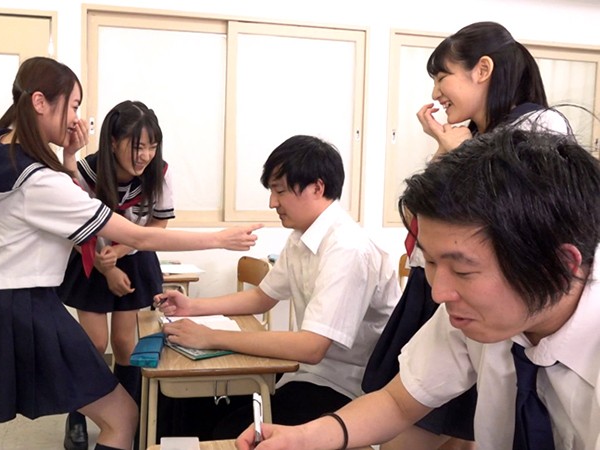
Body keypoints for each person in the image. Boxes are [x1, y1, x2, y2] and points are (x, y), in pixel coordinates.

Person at [0, 56, 260, 450]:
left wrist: (67, 157)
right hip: (26, 306)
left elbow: (93, 211)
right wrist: (219, 239)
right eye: (73, 106)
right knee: (123, 418)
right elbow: (136, 236)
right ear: (39, 102)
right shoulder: (40, 181)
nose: (77, 119)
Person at [235, 127, 600, 450]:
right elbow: (398, 402)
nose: (439, 293)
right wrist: (303, 438)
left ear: (558, 265)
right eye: (433, 264)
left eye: (463, 270)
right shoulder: (475, 315)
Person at [361, 21, 570, 450]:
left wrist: (454, 151)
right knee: (427, 418)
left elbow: (519, 216)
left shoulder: (540, 125)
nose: (436, 92)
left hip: (486, 292)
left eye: (442, 76)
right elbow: (420, 216)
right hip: (438, 286)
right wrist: (445, 148)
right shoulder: (472, 136)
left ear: (483, 70)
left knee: (440, 427)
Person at [155, 135, 400, 439]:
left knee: (230, 430)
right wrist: (193, 307)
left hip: (345, 389)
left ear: (317, 187)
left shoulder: (348, 248)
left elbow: (312, 347)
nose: (273, 202)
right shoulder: (301, 238)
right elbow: (262, 297)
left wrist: (211, 337)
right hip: (305, 373)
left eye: (280, 191)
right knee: (185, 407)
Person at [58, 100, 173, 450]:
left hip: (133, 258)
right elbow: (71, 225)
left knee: (125, 344)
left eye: (152, 146)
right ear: (112, 141)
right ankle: (77, 414)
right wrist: (105, 267)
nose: (145, 156)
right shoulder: (87, 173)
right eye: (137, 147)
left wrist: (120, 253)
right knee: (94, 344)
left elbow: (159, 224)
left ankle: (129, 414)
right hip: (89, 257)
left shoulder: (159, 173)